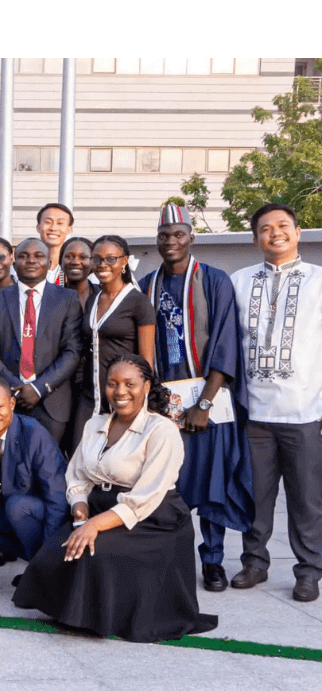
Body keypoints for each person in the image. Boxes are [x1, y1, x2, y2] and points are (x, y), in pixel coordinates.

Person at [13, 355, 219, 642]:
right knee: (58, 551)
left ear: (146, 386)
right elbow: (77, 473)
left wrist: (95, 525)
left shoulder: (161, 430)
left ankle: (99, 617)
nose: (120, 391)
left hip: (154, 518)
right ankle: (75, 609)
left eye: (129, 384)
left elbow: (146, 497)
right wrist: (81, 507)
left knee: (93, 551)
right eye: (113, 384)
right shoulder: (94, 423)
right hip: (100, 506)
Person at [139, 203, 254, 593]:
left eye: (178, 234)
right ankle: (170, 559)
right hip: (164, 402)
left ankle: (214, 561)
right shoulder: (147, 285)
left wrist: (203, 404)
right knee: (169, 482)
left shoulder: (214, 280)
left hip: (209, 401)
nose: (170, 242)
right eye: (164, 236)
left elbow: (225, 342)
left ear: (191, 237)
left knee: (212, 483)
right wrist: (157, 402)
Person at [229, 203, 322, 602]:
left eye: (283, 226)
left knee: (307, 498)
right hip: (255, 414)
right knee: (257, 494)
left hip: (306, 411)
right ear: (255, 239)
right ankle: (254, 562)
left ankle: (309, 571)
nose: (275, 233)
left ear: (299, 232)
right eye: (266, 228)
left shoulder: (319, 281)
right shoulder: (239, 281)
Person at [0, 376, 68, 576]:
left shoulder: (34, 434)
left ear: (11, 404)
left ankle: (40, 568)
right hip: (14, 509)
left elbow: (58, 500)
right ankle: (29, 557)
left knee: (16, 506)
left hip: (43, 511)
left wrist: (48, 557)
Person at [0, 238, 83, 445]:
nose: (31, 261)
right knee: (10, 468)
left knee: (48, 471)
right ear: (13, 261)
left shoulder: (67, 299)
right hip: (7, 400)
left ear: (49, 263)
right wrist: (15, 386)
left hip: (51, 401)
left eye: (38, 256)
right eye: (23, 256)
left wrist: (39, 387)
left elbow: (72, 351)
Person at [72, 235, 156, 451]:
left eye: (111, 259)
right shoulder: (94, 298)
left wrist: (142, 402)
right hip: (90, 396)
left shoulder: (138, 302)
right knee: (80, 455)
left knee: (117, 461)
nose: (102, 265)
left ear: (124, 261)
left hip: (122, 396)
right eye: (97, 259)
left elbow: (147, 359)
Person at [35, 202, 74, 284]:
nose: (53, 228)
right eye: (48, 222)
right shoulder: (26, 265)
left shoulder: (74, 266)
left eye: (60, 223)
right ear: (38, 227)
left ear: (69, 229)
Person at [59, 237, 96, 311]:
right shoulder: (50, 296)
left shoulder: (103, 295)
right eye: (69, 256)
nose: (75, 262)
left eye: (83, 257)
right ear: (60, 261)